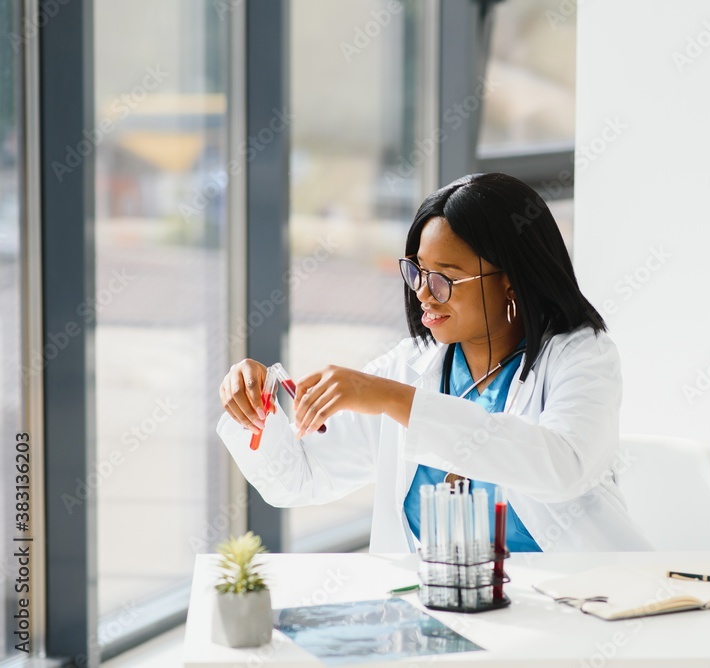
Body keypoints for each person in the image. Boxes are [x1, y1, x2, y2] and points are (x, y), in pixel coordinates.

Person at [217, 172, 652, 553]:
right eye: (417, 271)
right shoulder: (410, 366)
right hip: (443, 606)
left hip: (577, 603)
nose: (423, 293)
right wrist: (257, 411)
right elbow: (301, 478)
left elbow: (564, 468)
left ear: (510, 281)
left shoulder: (582, 357)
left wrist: (396, 400)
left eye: (444, 277)